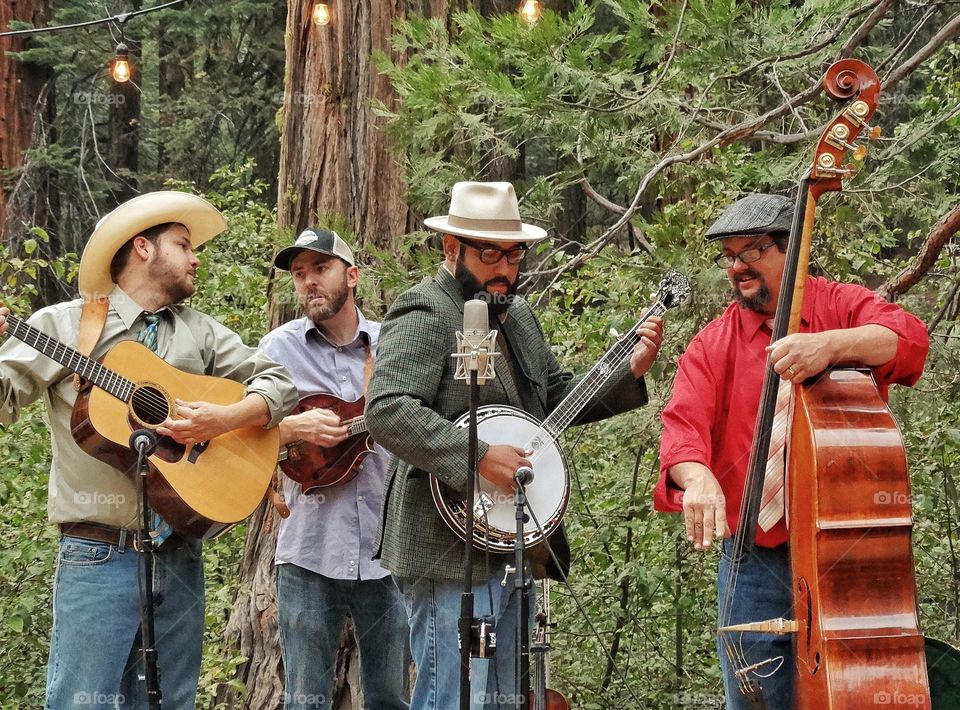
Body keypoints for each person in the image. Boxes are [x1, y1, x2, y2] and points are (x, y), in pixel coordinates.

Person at [365, 180, 664, 710]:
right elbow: (387, 410)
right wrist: (478, 455)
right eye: (490, 255)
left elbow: (552, 402)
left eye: (514, 253)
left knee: (503, 699)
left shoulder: (518, 316)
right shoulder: (424, 312)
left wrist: (628, 372)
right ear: (451, 248)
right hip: (444, 549)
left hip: (513, 543)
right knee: (452, 699)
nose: (505, 268)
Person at [0, 191, 298, 709]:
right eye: (183, 244)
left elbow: (278, 381)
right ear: (143, 248)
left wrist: (225, 416)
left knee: (171, 703)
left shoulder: (200, 332)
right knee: (81, 703)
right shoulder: (67, 326)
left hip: (181, 554)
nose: (196, 256)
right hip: (98, 552)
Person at [654, 193, 930, 709]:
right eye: (730, 256)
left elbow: (909, 339)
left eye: (751, 252)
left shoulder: (839, 306)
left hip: (847, 552)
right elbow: (681, 431)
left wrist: (831, 345)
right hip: (754, 557)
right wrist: (699, 479)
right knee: (757, 700)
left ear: (792, 250)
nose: (737, 267)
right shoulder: (712, 343)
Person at [260, 227, 409, 710]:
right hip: (309, 551)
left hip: (389, 551)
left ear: (352, 275)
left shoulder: (394, 346)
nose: (308, 282)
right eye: (299, 274)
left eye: (319, 269)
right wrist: (293, 428)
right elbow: (236, 435)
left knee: (389, 697)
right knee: (305, 700)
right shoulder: (276, 351)